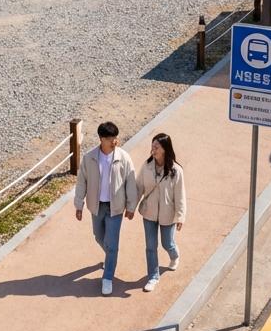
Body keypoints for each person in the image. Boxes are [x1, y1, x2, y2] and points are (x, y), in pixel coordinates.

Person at [75, 121, 138, 296]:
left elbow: (130, 183)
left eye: (116, 138)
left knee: (112, 244)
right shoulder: (89, 158)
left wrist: (131, 206)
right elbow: (82, 182)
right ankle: (111, 255)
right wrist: (78, 204)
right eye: (111, 138)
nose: (115, 141)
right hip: (97, 206)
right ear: (102, 139)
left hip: (115, 208)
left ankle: (107, 277)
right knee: (98, 236)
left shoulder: (123, 157)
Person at [137, 133, 187, 293]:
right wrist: (130, 207)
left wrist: (180, 216)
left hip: (168, 214)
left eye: (156, 147)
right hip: (149, 213)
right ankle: (153, 277)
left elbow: (180, 196)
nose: (153, 149)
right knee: (150, 246)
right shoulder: (146, 166)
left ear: (165, 149)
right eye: (152, 146)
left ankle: (174, 255)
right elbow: (139, 187)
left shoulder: (176, 171)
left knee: (167, 243)